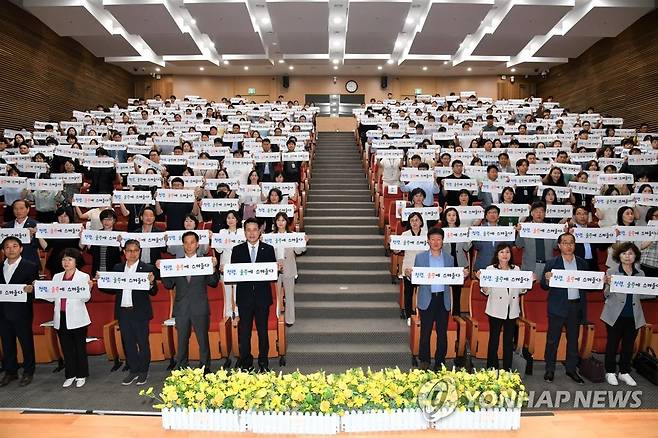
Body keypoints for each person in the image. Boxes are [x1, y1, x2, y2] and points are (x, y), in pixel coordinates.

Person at [157, 232, 219, 371]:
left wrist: (213, 267)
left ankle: (205, 367)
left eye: (192, 242)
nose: (189, 245)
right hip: (181, 308)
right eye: (186, 242)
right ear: (183, 245)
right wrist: (162, 270)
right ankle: (181, 367)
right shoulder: (175, 263)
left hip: (200, 307)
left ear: (197, 244)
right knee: (182, 341)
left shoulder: (204, 262)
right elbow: (168, 285)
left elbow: (213, 282)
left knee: (203, 340)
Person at [99, 240, 158, 386]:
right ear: (124, 252)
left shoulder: (147, 268)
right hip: (123, 312)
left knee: (143, 344)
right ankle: (134, 370)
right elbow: (111, 289)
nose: (132, 253)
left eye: (136, 250)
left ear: (140, 252)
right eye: (129, 250)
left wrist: (151, 282)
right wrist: (102, 281)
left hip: (140, 312)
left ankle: (144, 371)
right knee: (128, 343)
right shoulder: (118, 268)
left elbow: (154, 291)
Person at [413, 227, 467, 370]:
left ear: (443, 241)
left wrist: (462, 274)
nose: (436, 242)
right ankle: (424, 360)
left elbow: (453, 278)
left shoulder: (449, 258)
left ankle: (439, 362)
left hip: (443, 299)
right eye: (433, 239)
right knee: (425, 332)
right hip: (427, 299)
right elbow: (416, 279)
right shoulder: (420, 257)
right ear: (428, 241)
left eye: (439, 239)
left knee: (442, 333)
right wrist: (410, 274)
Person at [540, 233, 591, 384]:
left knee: (573, 340)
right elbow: (543, 285)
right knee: (552, 340)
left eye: (571, 243)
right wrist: (547, 279)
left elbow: (588, 284)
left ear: (575, 245)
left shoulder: (582, 263)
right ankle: (550, 370)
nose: (568, 246)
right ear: (559, 246)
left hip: (576, 306)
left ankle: (571, 369)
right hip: (557, 307)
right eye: (565, 243)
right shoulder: (552, 263)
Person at [230, 218, 278, 372]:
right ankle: (246, 363)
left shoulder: (269, 249)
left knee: (263, 331)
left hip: (262, 298)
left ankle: (263, 362)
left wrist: (276, 268)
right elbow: (235, 275)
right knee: (245, 333)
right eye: (248, 230)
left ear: (260, 231)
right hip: (244, 298)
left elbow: (272, 275)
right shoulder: (237, 250)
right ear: (244, 232)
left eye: (254, 230)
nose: (251, 233)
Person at [476, 243, 529, 370]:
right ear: (497, 255)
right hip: (496, 309)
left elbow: (522, 290)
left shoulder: (516, 269)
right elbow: (486, 291)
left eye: (507, 252)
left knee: (508, 342)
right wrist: (481, 281)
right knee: (494, 340)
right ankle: (491, 369)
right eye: (502, 252)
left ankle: (507, 369)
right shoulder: (490, 270)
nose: (505, 255)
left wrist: (528, 281)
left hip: (512, 310)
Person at [601, 243, 647, 387]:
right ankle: (610, 371)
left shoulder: (640, 274)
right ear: (619, 256)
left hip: (634, 315)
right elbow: (606, 295)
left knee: (628, 344)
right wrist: (608, 284)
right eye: (624, 253)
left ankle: (624, 371)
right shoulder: (611, 272)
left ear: (635, 256)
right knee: (612, 344)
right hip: (615, 314)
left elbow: (645, 296)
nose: (627, 256)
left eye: (631, 254)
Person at [47, 248, 93, 388]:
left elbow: (85, 298)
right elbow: (51, 297)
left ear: (76, 262)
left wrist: (89, 289)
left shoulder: (83, 277)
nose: (66, 262)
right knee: (66, 348)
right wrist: (40, 289)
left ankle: (81, 375)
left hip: (77, 317)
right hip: (60, 316)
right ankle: (70, 374)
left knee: (79, 348)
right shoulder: (56, 277)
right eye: (64, 259)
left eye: (69, 259)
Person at [0, 237, 40, 387]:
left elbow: (36, 288)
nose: (11, 249)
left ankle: (28, 371)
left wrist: (32, 289)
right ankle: (11, 371)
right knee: (7, 343)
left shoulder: (30, 266)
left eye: (14, 246)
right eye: (7, 247)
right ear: (3, 250)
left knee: (26, 342)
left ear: (21, 248)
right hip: (2, 312)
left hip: (22, 312)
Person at [272, 212, 307, 327]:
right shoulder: (270, 236)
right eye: (278, 220)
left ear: (287, 222)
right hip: (273, 270)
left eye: (283, 220)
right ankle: (275, 318)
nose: (280, 222)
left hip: (289, 268)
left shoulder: (292, 235)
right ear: (275, 222)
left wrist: (303, 241)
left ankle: (290, 320)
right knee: (274, 296)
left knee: (289, 296)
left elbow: (298, 251)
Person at [515, 202, 558, 279]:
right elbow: (518, 245)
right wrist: (519, 232)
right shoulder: (525, 227)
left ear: (545, 214)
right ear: (531, 213)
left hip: (547, 266)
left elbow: (555, 246)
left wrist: (562, 234)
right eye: (536, 211)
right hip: (529, 266)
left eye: (541, 211)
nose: (539, 214)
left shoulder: (550, 228)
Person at [3, 200, 40, 267]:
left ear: (28, 209)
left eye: (21, 208)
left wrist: (32, 237)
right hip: (10, 262)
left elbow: (41, 246)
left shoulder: (36, 225)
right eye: (16, 209)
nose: (18, 211)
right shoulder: (7, 226)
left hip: (30, 261)